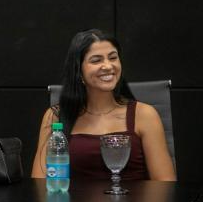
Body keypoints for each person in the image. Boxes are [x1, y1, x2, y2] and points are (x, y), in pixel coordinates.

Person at [31, 29, 176, 181]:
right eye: (96, 60)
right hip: (71, 197)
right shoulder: (55, 116)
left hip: (132, 197)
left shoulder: (145, 115)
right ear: (78, 71)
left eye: (113, 58)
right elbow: (39, 183)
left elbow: (165, 185)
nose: (108, 66)